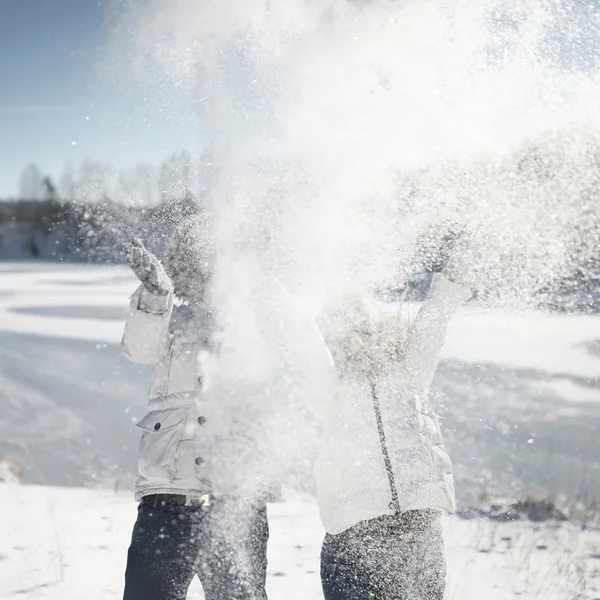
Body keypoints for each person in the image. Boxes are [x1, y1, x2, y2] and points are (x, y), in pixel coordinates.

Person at [312, 232, 475, 600]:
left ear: (380, 327)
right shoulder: (329, 387)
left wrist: (457, 273)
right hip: (353, 544)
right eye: (341, 336)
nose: (355, 343)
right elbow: (295, 339)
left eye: (363, 331)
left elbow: (435, 318)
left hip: (418, 541)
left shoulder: (409, 370)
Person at [121, 215, 275, 600]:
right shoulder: (168, 319)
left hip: (235, 509)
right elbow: (139, 349)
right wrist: (156, 294)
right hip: (166, 502)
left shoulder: (257, 324)